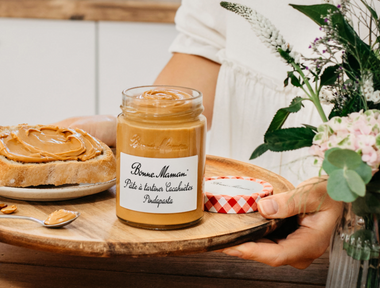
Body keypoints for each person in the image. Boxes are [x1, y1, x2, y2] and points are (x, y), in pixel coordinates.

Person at [55, 0, 345, 269]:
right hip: (216, 234)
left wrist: (350, 198)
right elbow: (206, 47)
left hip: (349, 229)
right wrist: (125, 128)